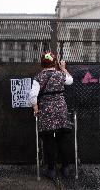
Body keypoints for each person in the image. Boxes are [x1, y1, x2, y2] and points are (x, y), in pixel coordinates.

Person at [29, 51, 73, 179]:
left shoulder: (38, 77)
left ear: (42, 63)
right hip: (61, 110)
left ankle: (51, 170)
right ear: (55, 63)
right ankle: (65, 168)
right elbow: (70, 81)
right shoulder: (60, 74)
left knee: (48, 141)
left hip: (46, 111)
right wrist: (64, 68)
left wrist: (36, 109)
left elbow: (33, 96)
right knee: (63, 140)